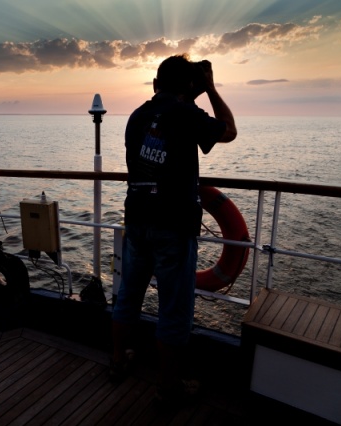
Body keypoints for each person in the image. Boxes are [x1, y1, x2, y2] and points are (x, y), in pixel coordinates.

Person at [110, 54, 237, 402]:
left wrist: (188, 94)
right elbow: (229, 130)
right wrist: (208, 87)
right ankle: (168, 387)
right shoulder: (187, 114)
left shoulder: (137, 116)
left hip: (137, 220)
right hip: (173, 226)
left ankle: (118, 361)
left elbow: (167, 121)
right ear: (190, 88)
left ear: (154, 85)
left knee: (128, 297)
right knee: (174, 308)